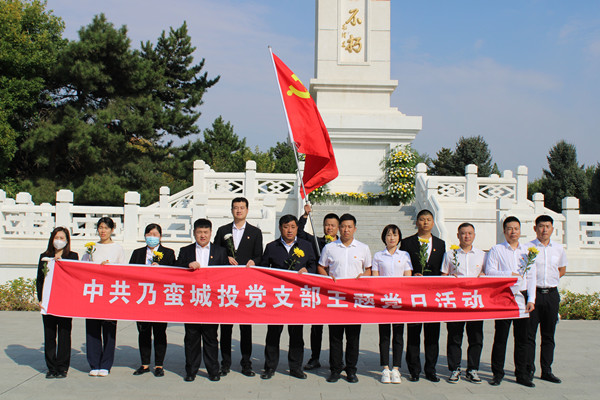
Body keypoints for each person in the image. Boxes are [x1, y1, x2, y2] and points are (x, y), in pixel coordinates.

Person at [259, 214, 317, 380]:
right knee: (273, 334)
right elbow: (264, 268)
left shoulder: (306, 246)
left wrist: (308, 270)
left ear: (297, 228)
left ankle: (295, 367)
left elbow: (313, 264)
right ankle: (270, 367)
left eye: (292, 227)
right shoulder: (271, 247)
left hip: (297, 297)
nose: (289, 230)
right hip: (277, 297)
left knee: (296, 334)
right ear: (280, 228)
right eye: (286, 227)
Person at [317, 213, 371, 383]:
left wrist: (364, 276)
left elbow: (369, 269)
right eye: (343, 226)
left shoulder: (363, 248)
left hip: (355, 300)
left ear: (355, 229)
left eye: (349, 227)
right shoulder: (330, 248)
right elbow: (321, 266)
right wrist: (327, 277)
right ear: (339, 228)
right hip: (336, 299)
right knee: (335, 336)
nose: (346, 230)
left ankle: (351, 370)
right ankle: (335, 369)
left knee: (353, 337)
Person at [213, 197, 263, 377]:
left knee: (245, 327)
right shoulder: (222, 230)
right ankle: (225, 363)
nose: (239, 210)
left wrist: (254, 261)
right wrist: (225, 258)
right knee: (225, 327)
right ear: (231, 210)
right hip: (227, 285)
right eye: (236, 207)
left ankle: (246, 363)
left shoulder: (255, 232)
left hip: (245, 285)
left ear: (247, 210)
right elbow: (214, 253)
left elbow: (259, 255)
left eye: (242, 207)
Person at [485, 216, 536, 387]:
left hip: (522, 297)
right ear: (504, 231)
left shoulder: (528, 251)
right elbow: (490, 272)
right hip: (504, 297)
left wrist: (532, 299)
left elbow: (532, 276)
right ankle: (497, 373)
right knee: (501, 337)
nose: (513, 232)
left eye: (516, 228)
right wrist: (509, 275)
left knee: (522, 339)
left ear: (520, 230)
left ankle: (522, 374)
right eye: (509, 229)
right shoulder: (497, 250)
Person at [177, 218, 228, 382]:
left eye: (205, 232)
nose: (202, 235)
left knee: (211, 338)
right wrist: (187, 265)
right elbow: (176, 270)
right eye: (199, 232)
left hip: (211, 301)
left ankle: (213, 370)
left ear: (211, 233)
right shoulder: (185, 251)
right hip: (191, 301)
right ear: (194, 233)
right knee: (191, 338)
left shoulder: (220, 251)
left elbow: (226, 275)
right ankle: (191, 370)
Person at [400, 209, 445, 382]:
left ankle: (431, 369)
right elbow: (403, 266)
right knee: (413, 333)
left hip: (433, 295)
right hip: (414, 295)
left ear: (433, 222)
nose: (425, 222)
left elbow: (443, 268)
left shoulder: (440, 244)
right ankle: (414, 369)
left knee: (432, 334)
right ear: (417, 222)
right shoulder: (407, 243)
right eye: (422, 219)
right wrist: (412, 275)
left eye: (428, 219)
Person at [441, 223, 486, 384]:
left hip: (475, 302)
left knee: (476, 337)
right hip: (456, 302)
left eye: (470, 233)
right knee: (455, 336)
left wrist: (483, 275)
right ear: (458, 235)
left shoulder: (482, 255)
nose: (466, 236)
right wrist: (449, 279)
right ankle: (454, 368)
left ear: (474, 235)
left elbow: (487, 274)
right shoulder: (450, 254)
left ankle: (473, 369)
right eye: (463, 233)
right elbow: (443, 275)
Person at [129, 223, 176, 377]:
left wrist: (162, 269)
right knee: (143, 332)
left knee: (160, 332)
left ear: (160, 237)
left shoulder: (168, 253)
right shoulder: (137, 253)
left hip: (160, 299)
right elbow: (130, 273)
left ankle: (159, 365)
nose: (152, 237)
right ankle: (144, 364)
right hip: (142, 298)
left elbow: (175, 274)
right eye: (149, 234)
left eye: (155, 235)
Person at [82, 217, 127, 377]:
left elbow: (123, 271)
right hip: (94, 293)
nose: (103, 231)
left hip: (110, 293)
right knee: (92, 330)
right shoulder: (91, 248)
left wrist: (110, 268)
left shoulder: (117, 249)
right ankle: (94, 363)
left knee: (109, 331)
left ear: (112, 230)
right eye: (100, 227)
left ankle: (106, 364)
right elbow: (82, 269)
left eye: (106, 228)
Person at [297, 204, 340, 370]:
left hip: (337, 291)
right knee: (316, 327)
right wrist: (305, 216)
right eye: (327, 225)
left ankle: (337, 360)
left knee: (337, 328)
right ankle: (314, 358)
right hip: (319, 289)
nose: (329, 228)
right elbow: (300, 233)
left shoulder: (342, 245)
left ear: (338, 227)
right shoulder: (317, 241)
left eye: (333, 225)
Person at [526, 215, 567, 383]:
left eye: (547, 226)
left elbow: (562, 269)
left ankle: (547, 370)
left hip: (551, 295)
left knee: (548, 335)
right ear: (535, 228)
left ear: (552, 229)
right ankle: (528, 369)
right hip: (532, 295)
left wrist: (551, 280)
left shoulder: (558, 249)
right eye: (541, 226)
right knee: (529, 335)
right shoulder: (527, 248)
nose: (544, 230)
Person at [372, 224, 412, 384]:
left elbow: (408, 277)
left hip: (399, 300)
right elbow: (375, 278)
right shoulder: (378, 256)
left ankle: (396, 368)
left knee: (398, 335)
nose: (392, 238)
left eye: (395, 235)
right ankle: (385, 368)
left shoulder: (404, 255)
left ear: (399, 237)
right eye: (389, 235)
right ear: (384, 238)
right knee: (384, 335)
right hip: (383, 300)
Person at [36, 227, 79, 379]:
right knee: (49, 335)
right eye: (56, 237)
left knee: (64, 334)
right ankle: (51, 367)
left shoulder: (72, 256)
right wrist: (40, 299)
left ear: (67, 241)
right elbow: (40, 280)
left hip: (65, 302)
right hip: (49, 302)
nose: (59, 241)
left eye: (62, 238)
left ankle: (62, 367)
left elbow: (75, 278)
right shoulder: (45, 257)